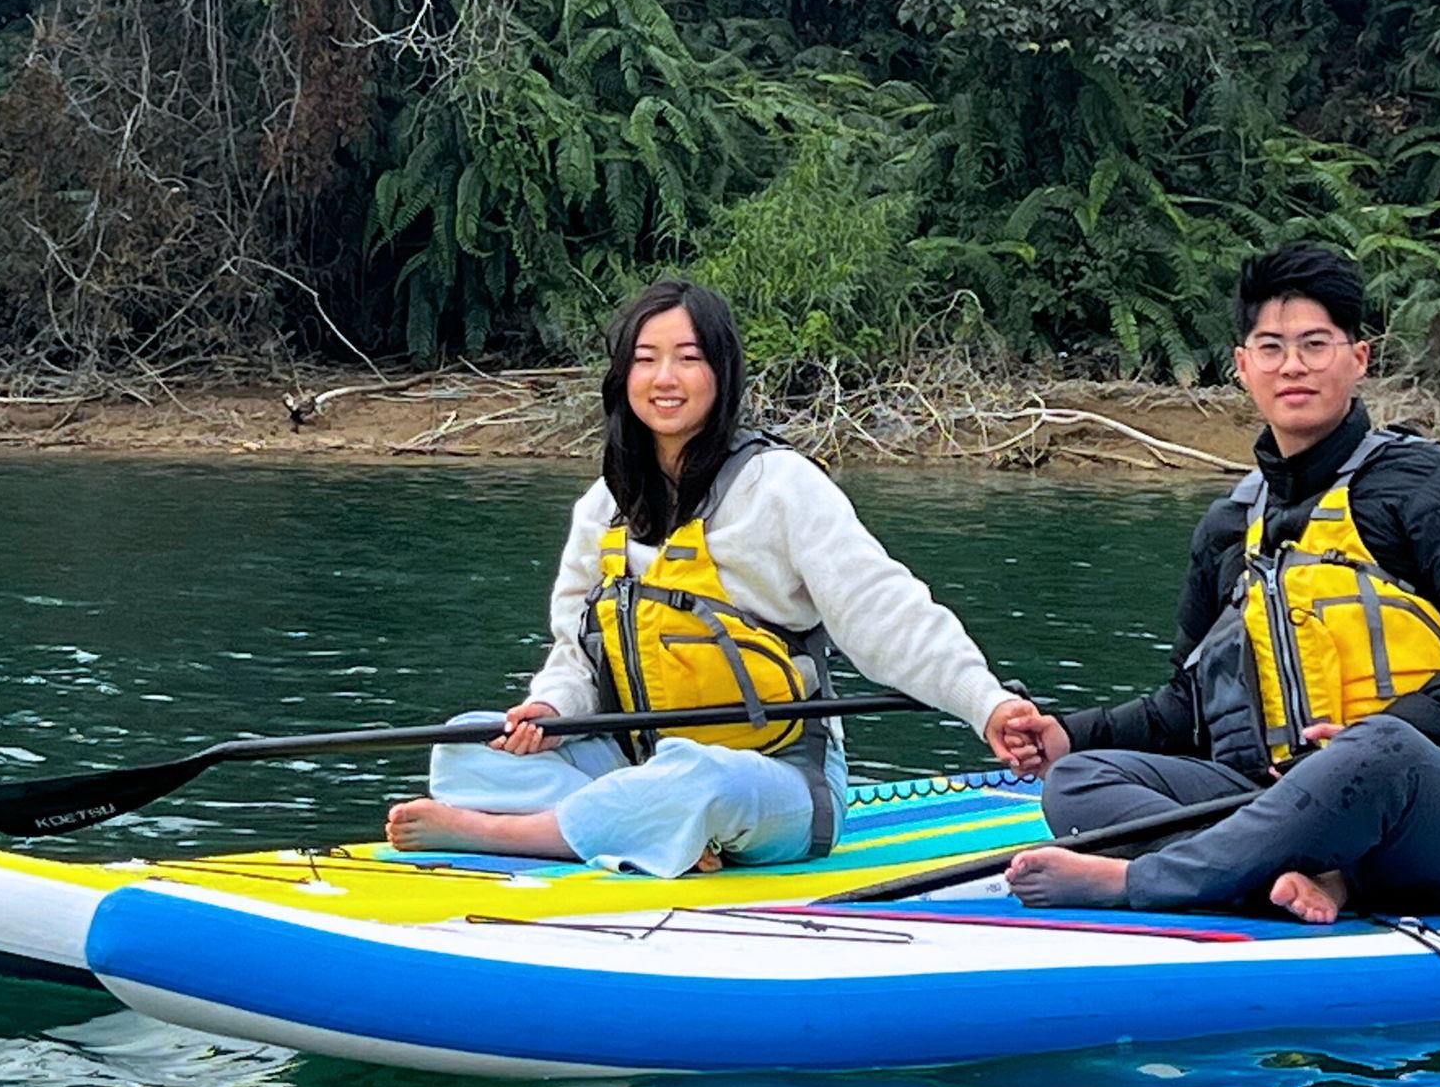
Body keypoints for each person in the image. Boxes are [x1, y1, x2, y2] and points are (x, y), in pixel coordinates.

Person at [386, 278, 1050, 876]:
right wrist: (549, 711)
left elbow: (885, 610)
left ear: (721, 372)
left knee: (697, 776)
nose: (664, 377)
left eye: (688, 357)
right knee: (467, 743)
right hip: (638, 764)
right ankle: (656, 829)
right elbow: (576, 655)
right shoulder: (603, 507)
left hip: (777, 781)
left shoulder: (782, 487)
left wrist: (985, 703)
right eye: (645, 359)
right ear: (623, 376)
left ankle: (528, 834)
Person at [1005, 241, 1440, 925]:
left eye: (1315, 344)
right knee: (1077, 782)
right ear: (1242, 366)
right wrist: (1069, 734)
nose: (1292, 365)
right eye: (1270, 347)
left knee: (1377, 748)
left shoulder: (1431, 486)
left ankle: (1143, 879)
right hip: (1279, 800)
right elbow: (1190, 706)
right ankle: (1299, 874)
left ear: (1359, 357)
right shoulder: (1228, 527)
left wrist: (1384, 729)